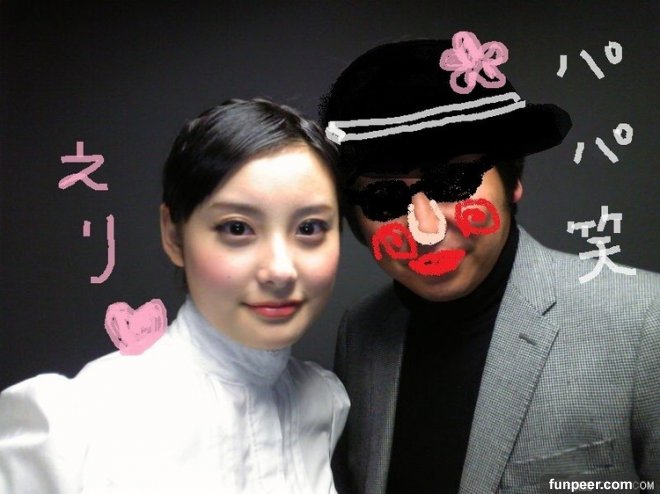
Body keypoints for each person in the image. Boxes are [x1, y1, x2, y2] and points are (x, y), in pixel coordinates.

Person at [320, 37, 660, 493]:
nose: (426, 230)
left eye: (455, 181)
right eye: (384, 197)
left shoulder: (645, 319)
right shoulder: (360, 334)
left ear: (513, 180)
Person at [0, 98, 349, 493]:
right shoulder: (78, 425)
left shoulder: (326, 402)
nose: (280, 270)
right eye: (236, 228)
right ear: (173, 234)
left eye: (310, 228)